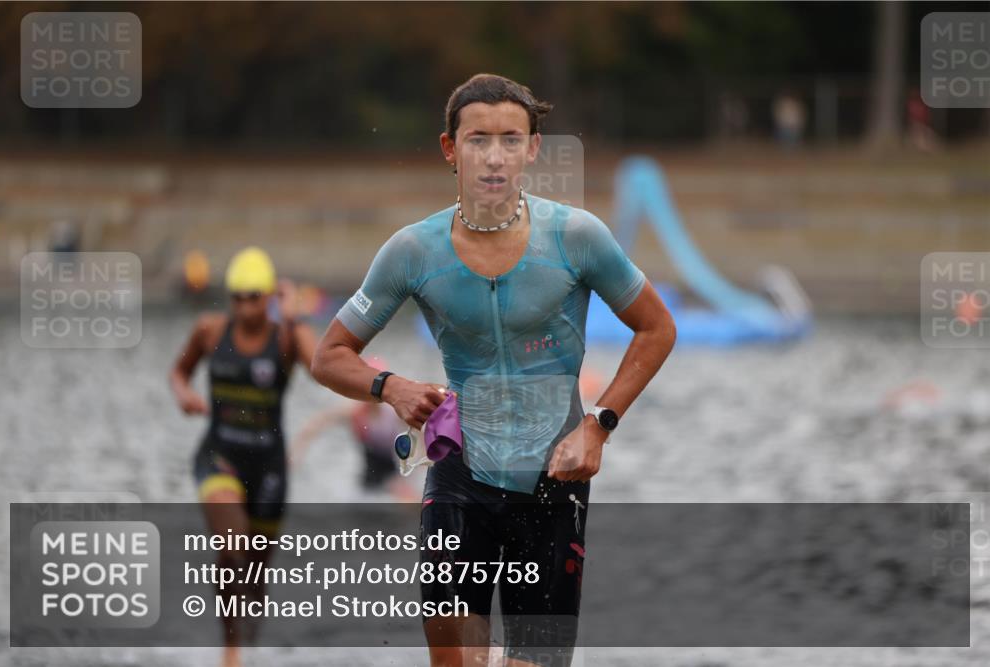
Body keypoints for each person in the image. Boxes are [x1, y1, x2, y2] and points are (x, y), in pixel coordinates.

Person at [311, 74, 676, 667]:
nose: (494, 157)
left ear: (533, 148)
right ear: (450, 149)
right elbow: (328, 355)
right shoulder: (413, 251)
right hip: (460, 477)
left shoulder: (577, 237)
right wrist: (391, 387)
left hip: (553, 480)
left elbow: (657, 328)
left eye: (511, 139)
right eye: (478, 140)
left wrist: (598, 425)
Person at [169, 246, 316, 667]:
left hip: (269, 467)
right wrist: (184, 394)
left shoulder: (286, 336)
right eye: (236, 297)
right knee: (232, 545)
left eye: (253, 297)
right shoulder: (210, 331)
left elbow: (322, 366)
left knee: (254, 573)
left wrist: (294, 317)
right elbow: (179, 372)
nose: (244, 306)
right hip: (220, 454)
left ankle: (249, 640)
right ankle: (230, 648)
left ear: (269, 296)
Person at [290, 356, 418, 501]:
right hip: (369, 476)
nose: (373, 393)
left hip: (394, 474)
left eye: (377, 387)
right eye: (368, 386)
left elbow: (419, 435)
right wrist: (296, 453)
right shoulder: (355, 413)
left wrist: (418, 465)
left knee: (409, 501)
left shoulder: (394, 413)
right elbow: (317, 423)